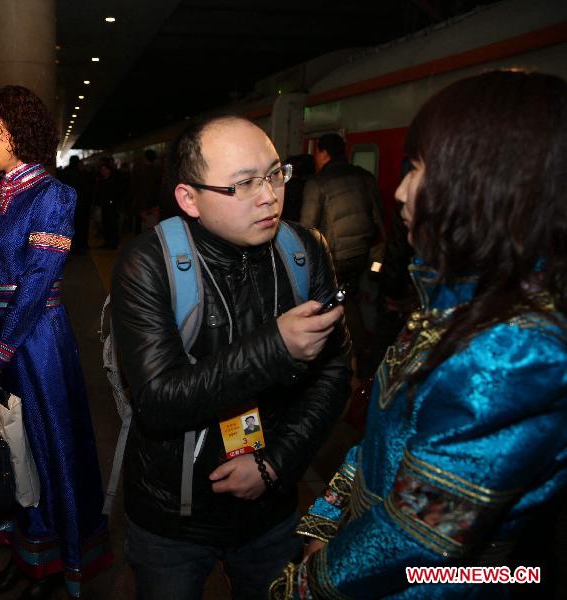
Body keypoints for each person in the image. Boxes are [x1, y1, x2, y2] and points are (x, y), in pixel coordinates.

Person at [273, 70, 567, 599]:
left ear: (492, 187)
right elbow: (380, 445)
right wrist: (324, 522)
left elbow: (419, 534)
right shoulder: (458, 304)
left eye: (423, 170)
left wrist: (311, 583)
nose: (402, 190)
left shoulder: (516, 351)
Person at [110, 114, 351, 599]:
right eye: (242, 184)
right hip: (172, 519)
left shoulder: (305, 250)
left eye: (274, 174)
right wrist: (275, 347)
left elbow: (336, 372)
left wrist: (275, 465)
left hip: (272, 512)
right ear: (189, 198)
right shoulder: (148, 263)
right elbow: (158, 399)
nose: (268, 196)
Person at [0, 85, 110, 600]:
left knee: (44, 452)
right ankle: (23, 557)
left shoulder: (55, 196)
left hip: (37, 342)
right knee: (4, 452)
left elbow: (40, 280)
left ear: (16, 130)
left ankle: (52, 563)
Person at [300, 133, 385, 379]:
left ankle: (339, 359)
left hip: (333, 259)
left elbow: (308, 228)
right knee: (351, 298)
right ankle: (360, 349)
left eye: (317, 152)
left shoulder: (317, 184)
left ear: (324, 153)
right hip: (360, 255)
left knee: (329, 305)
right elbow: (378, 217)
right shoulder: (364, 177)